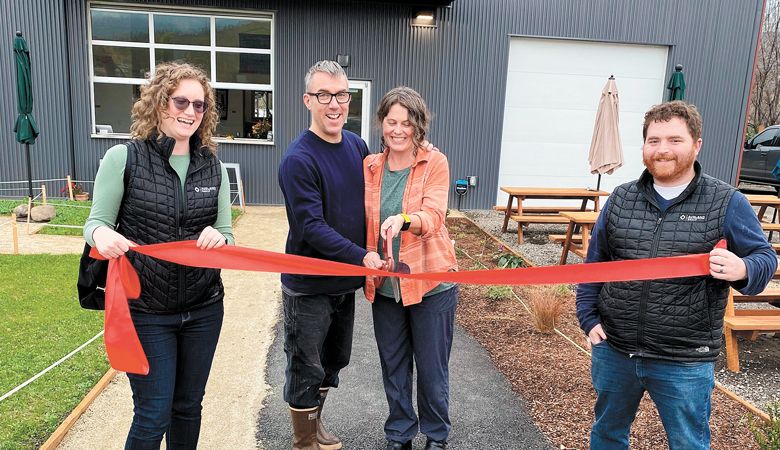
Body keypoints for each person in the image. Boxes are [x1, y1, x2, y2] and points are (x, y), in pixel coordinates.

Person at [575, 101, 777, 450]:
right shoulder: (621, 199)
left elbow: (764, 258)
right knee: (607, 434)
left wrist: (743, 268)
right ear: (644, 146)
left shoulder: (726, 201)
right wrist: (587, 317)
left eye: (674, 139)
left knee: (688, 443)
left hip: (684, 359)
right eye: (653, 140)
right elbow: (596, 263)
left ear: (696, 145)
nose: (662, 149)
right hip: (615, 350)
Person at [84, 61, 234, 449]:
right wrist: (103, 235)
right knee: (153, 414)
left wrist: (218, 237)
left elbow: (227, 234)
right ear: (158, 103)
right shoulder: (124, 158)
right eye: (180, 102)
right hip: (148, 311)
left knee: (188, 407)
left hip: (204, 308)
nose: (190, 112)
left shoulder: (213, 166)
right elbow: (95, 224)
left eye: (199, 105)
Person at [278, 60, 384, 450]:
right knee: (305, 364)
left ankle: (315, 423)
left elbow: (383, 185)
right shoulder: (298, 159)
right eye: (324, 95)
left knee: (334, 360)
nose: (334, 104)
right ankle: (303, 440)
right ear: (308, 100)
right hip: (308, 287)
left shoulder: (356, 145)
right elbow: (311, 227)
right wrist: (362, 256)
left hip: (344, 284)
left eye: (341, 94)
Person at [363, 87, 458, 450]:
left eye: (406, 122)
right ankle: (399, 433)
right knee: (394, 367)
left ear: (418, 126)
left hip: (432, 286)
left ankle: (436, 436)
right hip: (385, 287)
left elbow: (434, 215)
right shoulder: (371, 166)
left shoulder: (435, 162)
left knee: (432, 372)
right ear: (381, 123)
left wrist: (404, 219)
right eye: (391, 121)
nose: (398, 130)